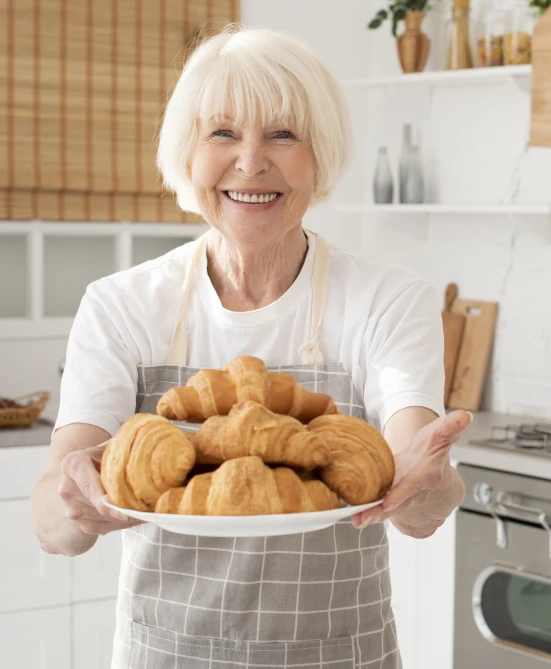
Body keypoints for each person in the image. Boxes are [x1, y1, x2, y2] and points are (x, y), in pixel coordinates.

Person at [30, 25, 467, 669]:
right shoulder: (122, 304)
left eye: (283, 134)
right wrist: (71, 505)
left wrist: (430, 486)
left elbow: (415, 488)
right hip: (166, 654)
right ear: (188, 154)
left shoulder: (388, 299)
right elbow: (52, 520)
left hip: (339, 656)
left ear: (321, 154)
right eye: (223, 133)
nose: (251, 161)